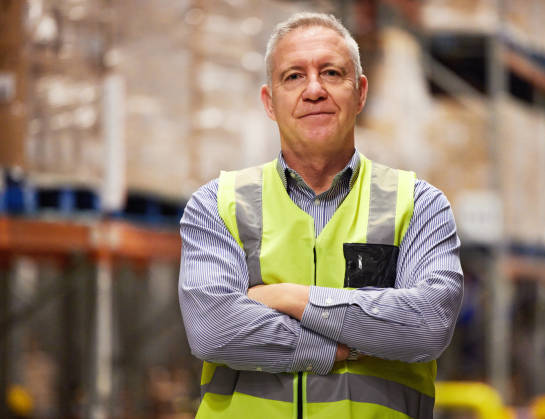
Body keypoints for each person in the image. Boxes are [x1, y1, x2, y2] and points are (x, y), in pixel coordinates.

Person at [179, 12, 463, 419]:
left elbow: (427, 326)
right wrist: (345, 344)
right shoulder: (217, 205)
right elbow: (214, 330)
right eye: (293, 76)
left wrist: (289, 298)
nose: (314, 90)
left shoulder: (418, 205)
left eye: (331, 73)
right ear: (269, 102)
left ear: (361, 92)